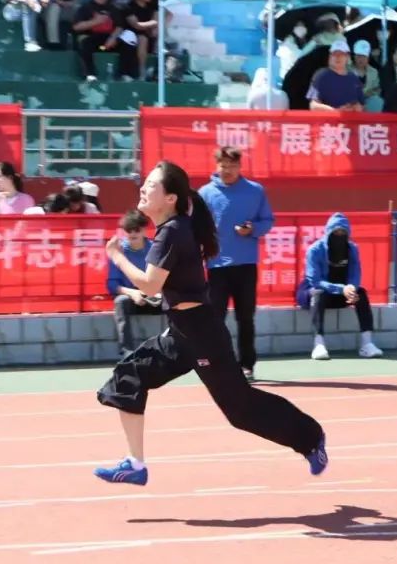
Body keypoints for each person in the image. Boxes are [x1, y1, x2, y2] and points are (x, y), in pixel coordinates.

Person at [93, 160, 328, 487]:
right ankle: (135, 464)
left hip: (202, 334)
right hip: (180, 331)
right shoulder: (171, 229)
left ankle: (311, 438)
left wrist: (117, 256)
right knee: (128, 376)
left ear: (170, 198)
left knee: (241, 410)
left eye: (151, 184)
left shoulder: (173, 231)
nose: (143, 188)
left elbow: (150, 285)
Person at [199, 146, 274, 381]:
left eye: (232, 166)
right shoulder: (205, 193)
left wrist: (253, 229)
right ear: (216, 166)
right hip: (216, 266)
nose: (228, 170)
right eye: (224, 166)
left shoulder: (255, 191)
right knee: (215, 318)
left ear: (240, 166)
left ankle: (247, 365)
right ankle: (216, 364)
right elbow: (196, 226)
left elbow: (267, 220)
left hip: (246, 264)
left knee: (245, 317)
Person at [298, 213, 383, 360]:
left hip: (341, 293)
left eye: (343, 232)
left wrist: (351, 288)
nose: (339, 235)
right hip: (313, 294)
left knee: (361, 293)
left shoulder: (352, 249)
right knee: (318, 293)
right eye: (336, 232)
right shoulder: (315, 250)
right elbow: (315, 281)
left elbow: (355, 273)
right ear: (328, 232)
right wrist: (340, 289)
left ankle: (367, 343)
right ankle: (319, 344)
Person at [107, 209, 161, 357]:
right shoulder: (118, 252)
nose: (132, 233)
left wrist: (155, 293)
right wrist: (133, 293)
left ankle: (179, 346)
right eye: (128, 230)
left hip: (156, 296)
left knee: (176, 300)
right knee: (120, 302)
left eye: (136, 229)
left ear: (144, 229)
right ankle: (127, 352)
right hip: (131, 297)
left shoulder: (155, 249)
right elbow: (112, 285)